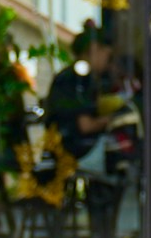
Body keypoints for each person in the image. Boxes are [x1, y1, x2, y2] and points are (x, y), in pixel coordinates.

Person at [44, 25, 116, 164]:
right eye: (108, 57)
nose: (109, 65)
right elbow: (85, 125)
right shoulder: (79, 78)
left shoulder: (70, 76)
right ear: (94, 49)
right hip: (73, 154)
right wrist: (113, 119)